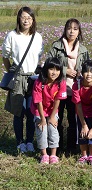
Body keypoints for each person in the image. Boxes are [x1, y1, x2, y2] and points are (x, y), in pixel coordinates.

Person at [2, 6, 43, 153]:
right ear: (18, 18)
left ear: (33, 20)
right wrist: (11, 72)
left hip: (33, 78)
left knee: (31, 111)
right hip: (18, 77)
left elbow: (38, 56)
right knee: (18, 111)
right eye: (23, 17)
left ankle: (29, 141)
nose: (26, 20)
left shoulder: (37, 37)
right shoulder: (12, 35)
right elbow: (5, 56)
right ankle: (20, 142)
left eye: (29, 18)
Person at [48, 18, 89, 154]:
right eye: (69, 28)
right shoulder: (56, 46)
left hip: (74, 90)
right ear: (65, 30)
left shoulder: (83, 50)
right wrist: (65, 70)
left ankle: (72, 148)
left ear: (79, 32)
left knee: (73, 119)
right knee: (57, 119)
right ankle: (56, 147)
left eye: (75, 29)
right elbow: (49, 64)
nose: (72, 31)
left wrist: (80, 73)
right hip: (58, 89)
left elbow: (87, 68)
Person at [31, 57, 66, 164]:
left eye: (57, 69)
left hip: (52, 110)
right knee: (42, 129)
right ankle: (44, 154)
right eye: (51, 69)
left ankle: (53, 155)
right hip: (39, 110)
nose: (54, 72)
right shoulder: (39, 82)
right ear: (46, 69)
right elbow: (38, 101)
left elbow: (58, 100)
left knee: (53, 129)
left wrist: (52, 117)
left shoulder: (61, 83)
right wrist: (42, 119)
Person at [72, 60, 92, 165]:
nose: (89, 74)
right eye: (86, 71)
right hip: (81, 114)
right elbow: (78, 106)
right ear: (81, 73)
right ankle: (84, 155)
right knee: (82, 134)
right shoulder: (77, 85)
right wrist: (84, 125)